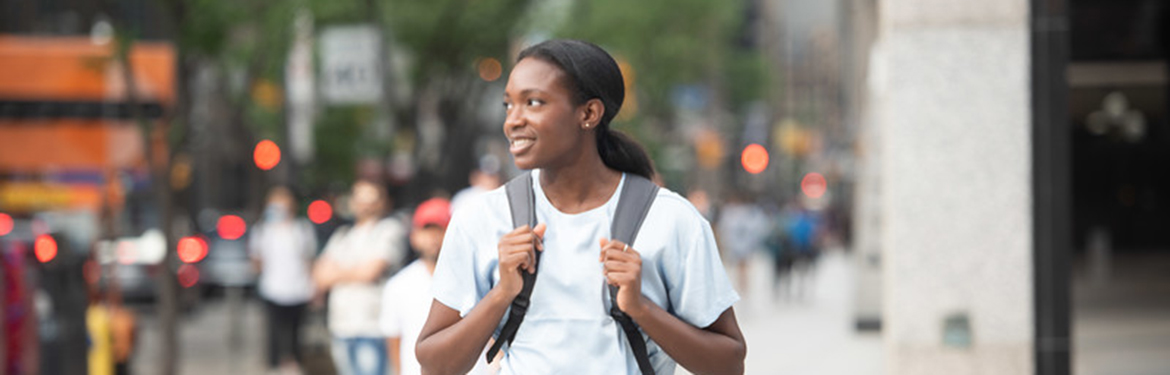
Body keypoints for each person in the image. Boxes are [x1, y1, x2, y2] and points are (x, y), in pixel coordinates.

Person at [416, 39, 746, 375]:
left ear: (588, 113)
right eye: (508, 105)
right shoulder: (482, 219)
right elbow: (433, 365)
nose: (512, 121)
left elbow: (729, 364)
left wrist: (641, 308)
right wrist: (501, 293)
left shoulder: (670, 220)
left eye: (532, 102)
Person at [379, 198, 490, 375]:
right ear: (414, 236)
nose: (433, 238)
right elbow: (394, 340)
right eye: (426, 230)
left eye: (440, 230)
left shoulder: (480, 278)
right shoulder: (398, 285)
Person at [313, 180, 407, 375]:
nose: (365, 204)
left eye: (371, 198)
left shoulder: (389, 229)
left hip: (372, 326)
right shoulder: (342, 234)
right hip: (341, 325)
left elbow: (369, 273)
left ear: (383, 202)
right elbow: (320, 276)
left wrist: (337, 272)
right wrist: (355, 271)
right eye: (360, 198)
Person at [250, 186, 317, 375]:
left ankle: (295, 363)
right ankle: (274, 365)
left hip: (298, 289)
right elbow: (256, 259)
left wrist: (313, 286)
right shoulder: (263, 229)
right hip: (272, 288)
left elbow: (308, 259)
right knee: (274, 333)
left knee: (296, 333)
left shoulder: (301, 228)